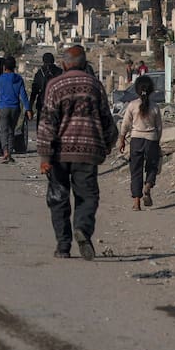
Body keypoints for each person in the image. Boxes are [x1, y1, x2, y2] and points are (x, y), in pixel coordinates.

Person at [37, 44, 118, 259]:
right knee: (88, 196)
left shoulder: (54, 85)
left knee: (58, 198)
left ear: (63, 63)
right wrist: (108, 144)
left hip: (59, 153)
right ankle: (82, 228)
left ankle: (63, 246)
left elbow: (47, 122)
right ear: (84, 63)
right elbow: (107, 120)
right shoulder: (95, 85)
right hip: (88, 151)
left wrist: (45, 156)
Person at [118, 75, 163, 210]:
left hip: (136, 140)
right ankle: (148, 185)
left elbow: (125, 124)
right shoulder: (155, 107)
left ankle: (136, 202)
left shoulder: (132, 105)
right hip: (151, 140)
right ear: (151, 90)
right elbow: (159, 127)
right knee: (152, 166)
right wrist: (157, 142)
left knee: (135, 170)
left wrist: (122, 139)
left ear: (137, 90)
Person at [0, 57, 31, 163]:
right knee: (11, 130)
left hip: (3, 107)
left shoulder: (0, 79)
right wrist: (28, 109)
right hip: (15, 108)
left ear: (4, 67)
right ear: (14, 67)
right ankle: (9, 152)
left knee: (3, 130)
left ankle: (5, 151)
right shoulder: (18, 79)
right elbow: (23, 96)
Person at [29, 52, 61, 126]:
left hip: (42, 105)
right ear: (53, 60)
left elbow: (34, 92)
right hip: (56, 105)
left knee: (41, 129)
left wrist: (30, 107)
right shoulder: (60, 72)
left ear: (43, 60)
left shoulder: (40, 73)